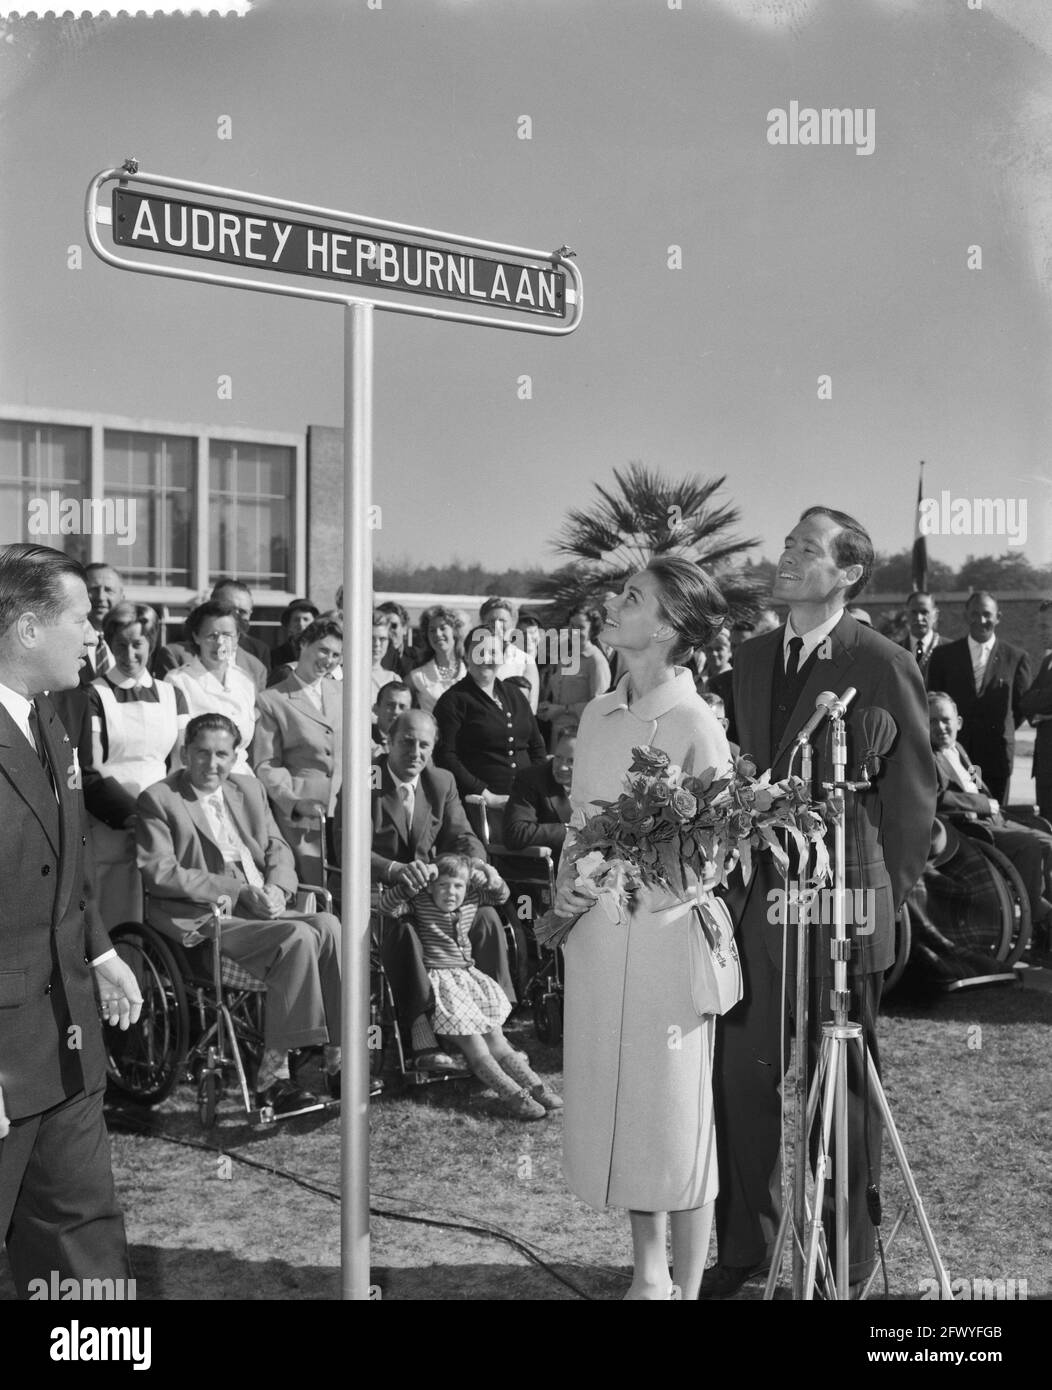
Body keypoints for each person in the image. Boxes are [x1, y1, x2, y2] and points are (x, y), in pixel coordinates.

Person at [705, 506, 936, 1299]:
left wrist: (882, 902)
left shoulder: (882, 660)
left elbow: (912, 803)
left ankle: (842, 1257)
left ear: (847, 574)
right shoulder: (751, 656)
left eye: (808, 548)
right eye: (789, 544)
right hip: (754, 910)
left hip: (842, 912)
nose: (789, 555)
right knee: (741, 1075)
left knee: (840, 1086)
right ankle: (744, 1250)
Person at [550, 555, 734, 1301]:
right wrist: (568, 879)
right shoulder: (596, 713)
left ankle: (683, 1289)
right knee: (622, 1103)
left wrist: (632, 872)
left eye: (633, 597)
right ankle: (647, 1270)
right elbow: (576, 822)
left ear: (666, 627)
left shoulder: (697, 723)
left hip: (663, 948)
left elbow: (717, 855)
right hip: (597, 942)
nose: (615, 603)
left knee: (674, 1113)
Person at [0, 543, 142, 1299]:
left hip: (67, 1039)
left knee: (83, 1243)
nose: (99, 632)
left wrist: (98, 951)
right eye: (84, 617)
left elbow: (67, 858)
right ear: (27, 628)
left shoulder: (52, 717)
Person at [136, 713, 341, 1115]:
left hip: (262, 908)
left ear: (235, 757)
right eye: (202, 753)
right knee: (297, 938)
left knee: (329, 926)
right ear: (184, 753)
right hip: (209, 920)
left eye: (222, 755)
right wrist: (239, 890)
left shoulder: (248, 789)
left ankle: (337, 1058)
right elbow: (159, 872)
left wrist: (280, 889)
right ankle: (272, 1076)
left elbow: (278, 848)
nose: (212, 765)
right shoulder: (159, 800)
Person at [370, 709, 516, 1072]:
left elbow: (463, 836)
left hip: (433, 891)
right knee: (403, 929)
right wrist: (397, 870)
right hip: (382, 891)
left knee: (485, 916)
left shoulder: (441, 780)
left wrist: (476, 866)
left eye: (424, 745)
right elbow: (349, 849)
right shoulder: (365, 778)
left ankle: (493, 1022)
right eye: (406, 742)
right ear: (388, 740)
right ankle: (421, 1031)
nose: (415, 752)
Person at [378, 855, 561, 1119]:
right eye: (442, 885)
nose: (450, 892)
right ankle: (513, 1096)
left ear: (466, 888)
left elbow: (501, 895)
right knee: (476, 1047)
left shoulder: (471, 899)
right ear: (430, 886)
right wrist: (411, 885)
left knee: (498, 1041)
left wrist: (487, 874)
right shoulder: (421, 901)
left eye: (457, 886)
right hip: (443, 984)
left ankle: (537, 1087)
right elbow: (386, 906)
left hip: (470, 980)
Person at [87, 600, 185, 926]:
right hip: (114, 818)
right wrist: (132, 815)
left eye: (137, 644)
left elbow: (180, 759)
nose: (130, 655)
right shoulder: (94, 694)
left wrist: (164, 813)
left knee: (166, 905)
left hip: (165, 815)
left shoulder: (173, 694)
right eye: (121, 645)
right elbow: (93, 764)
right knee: (118, 905)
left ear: (151, 643)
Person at [929, 692, 1052, 931]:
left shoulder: (960, 751)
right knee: (1028, 844)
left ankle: (1046, 912)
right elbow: (935, 797)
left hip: (996, 818)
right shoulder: (928, 756)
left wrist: (990, 803)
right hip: (969, 827)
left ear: (959, 723)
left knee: (1049, 841)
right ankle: (1037, 916)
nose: (941, 727)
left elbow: (975, 785)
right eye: (932, 721)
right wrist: (983, 805)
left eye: (945, 720)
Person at [253, 617, 343, 886]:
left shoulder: (345, 693)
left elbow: (364, 752)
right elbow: (266, 764)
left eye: (336, 654)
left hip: (345, 812)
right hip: (303, 816)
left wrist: (371, 791)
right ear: (303, 644)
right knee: (313, 891)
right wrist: (293, 803)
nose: (329, 660)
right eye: (323, 650)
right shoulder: (272, 700)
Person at [927, 591, 1031, 804]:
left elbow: (1020, 708)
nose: (981, 620)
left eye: (987, 614)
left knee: (995, 812)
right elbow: (933, 700)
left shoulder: (1016, 657)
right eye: (975, 614)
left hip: (996, 755)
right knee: (966, 811)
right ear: (966, 616)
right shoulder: (944, 656)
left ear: (998, 617)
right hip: (958, 756)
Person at [434, 625, 547, 808]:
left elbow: (537, 748)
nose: (485, 658)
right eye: (479, 651)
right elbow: (446, 756)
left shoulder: (515, 695)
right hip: (479, 804)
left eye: (493, 652)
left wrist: (536, 789)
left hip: (527, 801)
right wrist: (486, 794)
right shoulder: (452, 701)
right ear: (466, 655)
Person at [165, 600, 257, 773]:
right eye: (212, 636)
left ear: (237, 637)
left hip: (241, 778)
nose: (220, 643)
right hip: (199, 777)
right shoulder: (178, 681)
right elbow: (179, 752)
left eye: (227, 635)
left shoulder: (245, 680)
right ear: (196, 637)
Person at [538, 608, 610, 751]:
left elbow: (599, 707)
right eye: (571, 625)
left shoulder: (596, 661)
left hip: (581, 736)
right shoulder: (566, 657)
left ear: (592, 630)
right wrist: (548, 706)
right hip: (558, 734)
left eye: (580, 627)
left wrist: (562, 710)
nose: (573, 631)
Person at [503, 731, 575, 858]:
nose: (562, 767)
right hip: (542, 868)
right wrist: (570, 831)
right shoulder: (531, 779)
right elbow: (516, 832)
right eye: (558, 758)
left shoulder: (599, 782)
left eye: (571, 761)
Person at [1020, 599, 1052, 822]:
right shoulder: (1048, 660)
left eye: (1045, 626)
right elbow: (1027, 702)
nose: (1039, 632)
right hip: (1045, 766)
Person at [480, 596, 540, 712]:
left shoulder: (525, 661)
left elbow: (531, 708)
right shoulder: (472, 657)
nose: (497, 625)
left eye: (502, 620)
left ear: (513, 624)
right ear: (482, 623)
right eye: (491, 621)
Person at [407, 604, 466, 714]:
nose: (438, 634)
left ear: (455, 632)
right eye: (432, 630)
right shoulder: (418, 677)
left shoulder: (471, 671)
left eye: (443, 628)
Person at [81, 562, 124, 681]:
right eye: (93, 589)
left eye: (108, 590)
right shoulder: (65, 641)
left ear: (122, 597)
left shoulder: (134, 645)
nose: (101, 597)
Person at [271, 599, 320, 672]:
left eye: (306, 619)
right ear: (289, 625)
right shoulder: (274, 656)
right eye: (296, 620)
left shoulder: (322, 653)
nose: (301, 624)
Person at [902, 590, 943, 677]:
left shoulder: (951, 651)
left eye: (924, 612)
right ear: (906, 614)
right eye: (914, 612)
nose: (919, 618)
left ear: (935, 615)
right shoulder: (896, 650)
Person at [372, 680, 413, 758]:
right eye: (390, 705)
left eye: (402, 707)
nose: (396, 711)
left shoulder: (415, 742)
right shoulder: (362, 738)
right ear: (376, 708)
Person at [376, 600, 416, 679]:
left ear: (404, 628)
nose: (388, 631)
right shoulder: (370, 657)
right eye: (384, 625)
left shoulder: (418, 659)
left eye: (393, 626)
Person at [370, 610, 397, 704]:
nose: (376, 644)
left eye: (382, 639)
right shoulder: (343, 675)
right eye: (371, 638)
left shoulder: (394, 679)